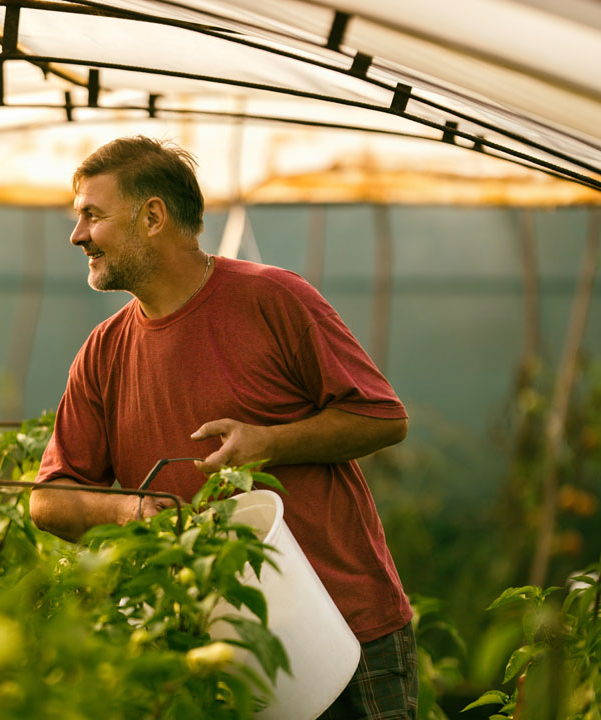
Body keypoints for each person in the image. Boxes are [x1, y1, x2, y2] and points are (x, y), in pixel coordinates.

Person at [29, 136, 416, 719]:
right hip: (215, 655)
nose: (77, 235)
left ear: (152, 216)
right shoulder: (103, 353)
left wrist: (269, 441)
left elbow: (383, 416)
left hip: (347, 627)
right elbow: (48, 500)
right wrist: (126, 512)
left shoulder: (271, 298)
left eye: (92, 214)